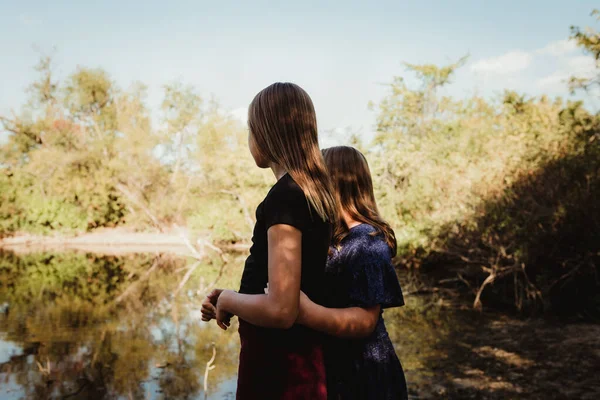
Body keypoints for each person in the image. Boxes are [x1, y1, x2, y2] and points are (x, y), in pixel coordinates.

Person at [201, 82, 337, 399]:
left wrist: (229, 301)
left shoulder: (285, 197)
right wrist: (238, 297)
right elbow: (285, 289)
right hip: (300, 354)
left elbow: (281, 310)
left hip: (278, 365)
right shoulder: (311, 192)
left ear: (266, 134)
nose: (248, 140)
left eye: (250, 130)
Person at [296, 146, 408, 400]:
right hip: (336, 371)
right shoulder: (335, 239)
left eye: (316, 180)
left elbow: (365, 321)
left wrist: (305, 312)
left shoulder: (368, 242)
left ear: (332, 184)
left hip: (366, 379)